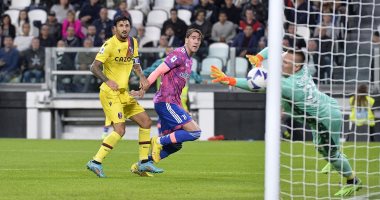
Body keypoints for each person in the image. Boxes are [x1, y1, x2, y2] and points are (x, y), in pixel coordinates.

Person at [210, 47, 362, 197]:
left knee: (329, 153)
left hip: (326, 119)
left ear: (296, 67)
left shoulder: (289, 86)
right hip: (327, 105)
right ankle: (337, 157)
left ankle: (352, 181)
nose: (280, 64)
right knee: (321, 147)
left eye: (285, 63)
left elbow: (255, 87)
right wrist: (259, 57)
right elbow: (274, 49)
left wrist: (229, 79)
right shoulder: (300, 67)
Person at [86, 16, 163, 178]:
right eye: (121, 25)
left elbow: (135, 63)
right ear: (115, 28)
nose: (124, 28)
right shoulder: (109, 45)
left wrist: (142, 77)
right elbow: (94, 67)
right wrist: (107, 80)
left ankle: (143, 163)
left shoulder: (132, 42)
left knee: (146, 122)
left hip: (124, 93)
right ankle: (95, 162)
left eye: (127, 25)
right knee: (120, 130)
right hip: (109, 93)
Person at [136, 28, 203, 169]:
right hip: (165, 102)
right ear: (186, 39)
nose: (196, 41)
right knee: (195, 132)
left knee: (175, 145)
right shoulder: (178, 54)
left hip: (173, 103)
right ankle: (158, 141)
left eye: (199, 39)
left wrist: (183, 110)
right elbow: (158, 70)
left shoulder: (190, 61)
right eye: (193, 38)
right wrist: (144, 88)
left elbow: (178, 89)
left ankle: (143, 165)